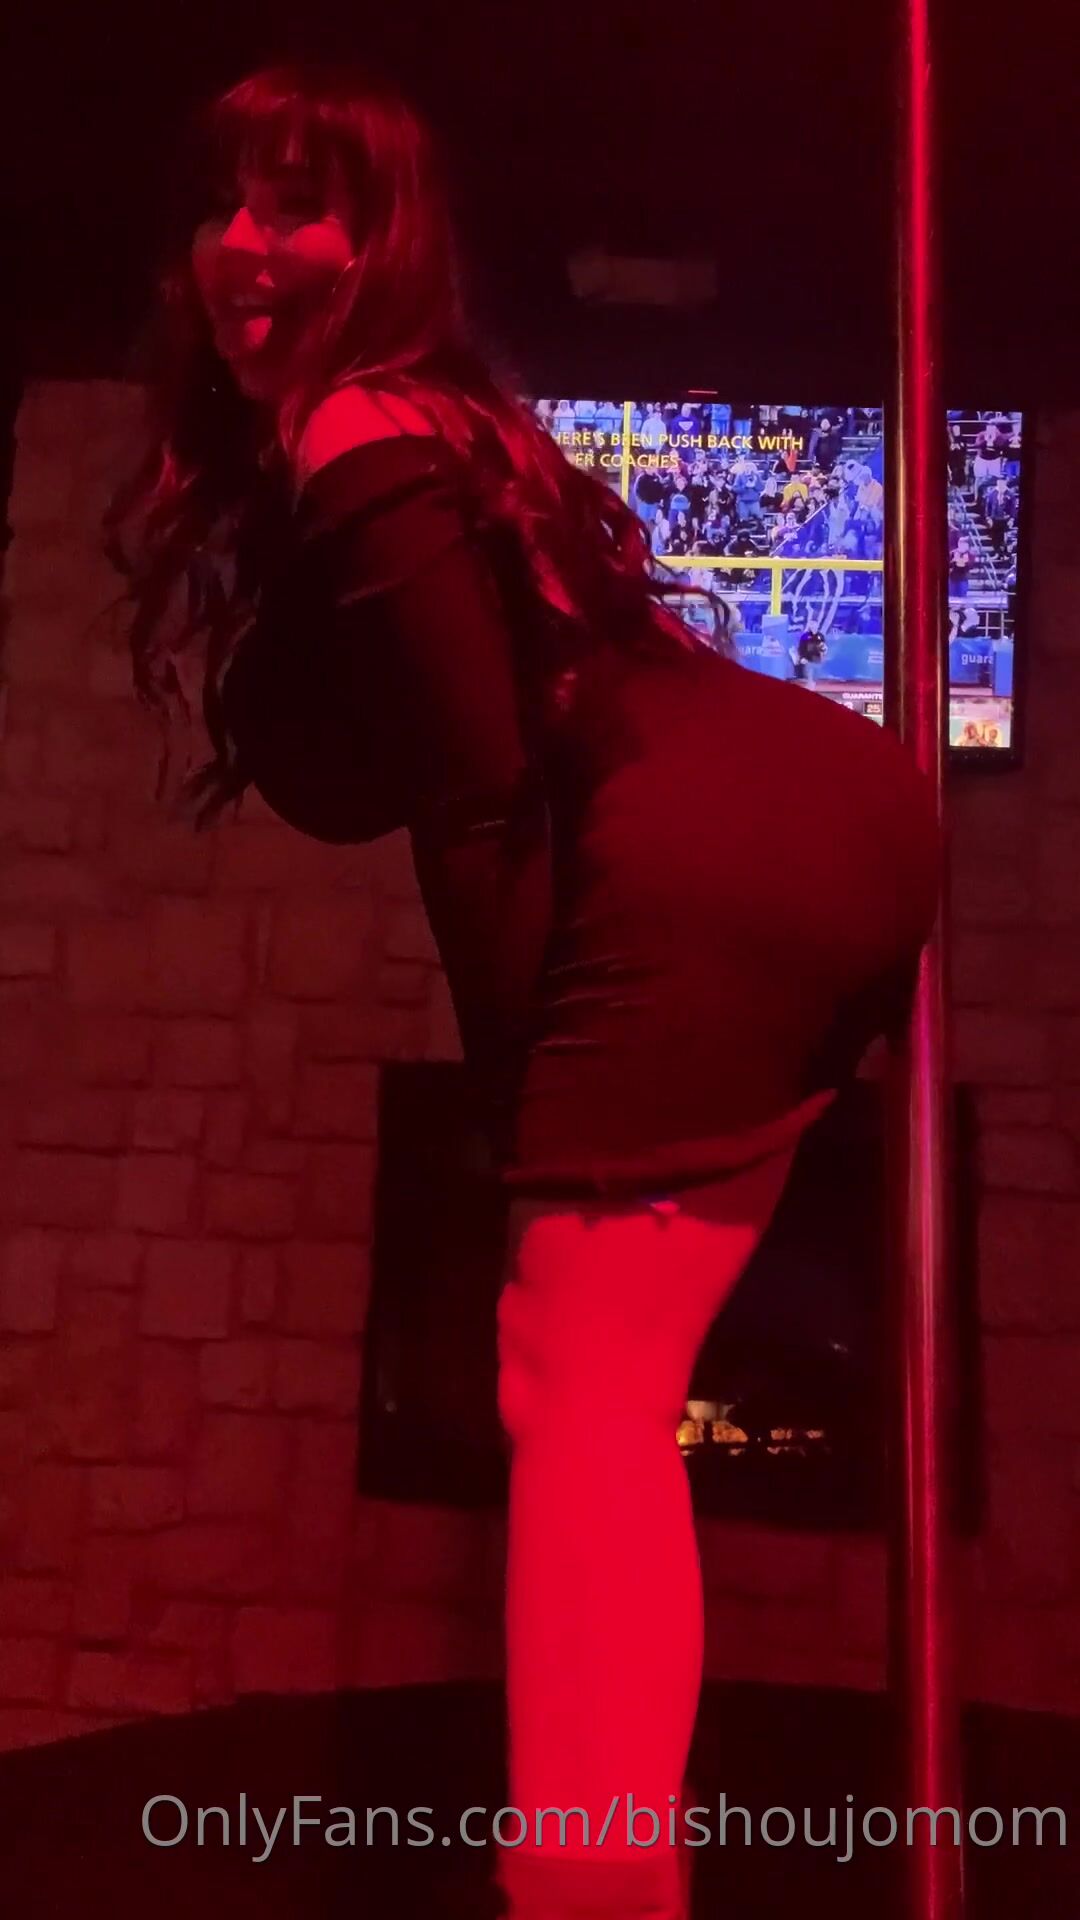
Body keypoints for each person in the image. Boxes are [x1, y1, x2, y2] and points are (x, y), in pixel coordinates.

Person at [105, 63, 941, 1920]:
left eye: (301, 207)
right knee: (589, 1378)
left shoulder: (360, 429)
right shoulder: (440, 422)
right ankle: (598, 1862)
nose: (246, 244)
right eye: (226, 203)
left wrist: (522, 1103)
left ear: (383, 243)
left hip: (700, 845)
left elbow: (480, 793)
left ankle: (586, 1883)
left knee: (577, 1379)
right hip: (816, 806)